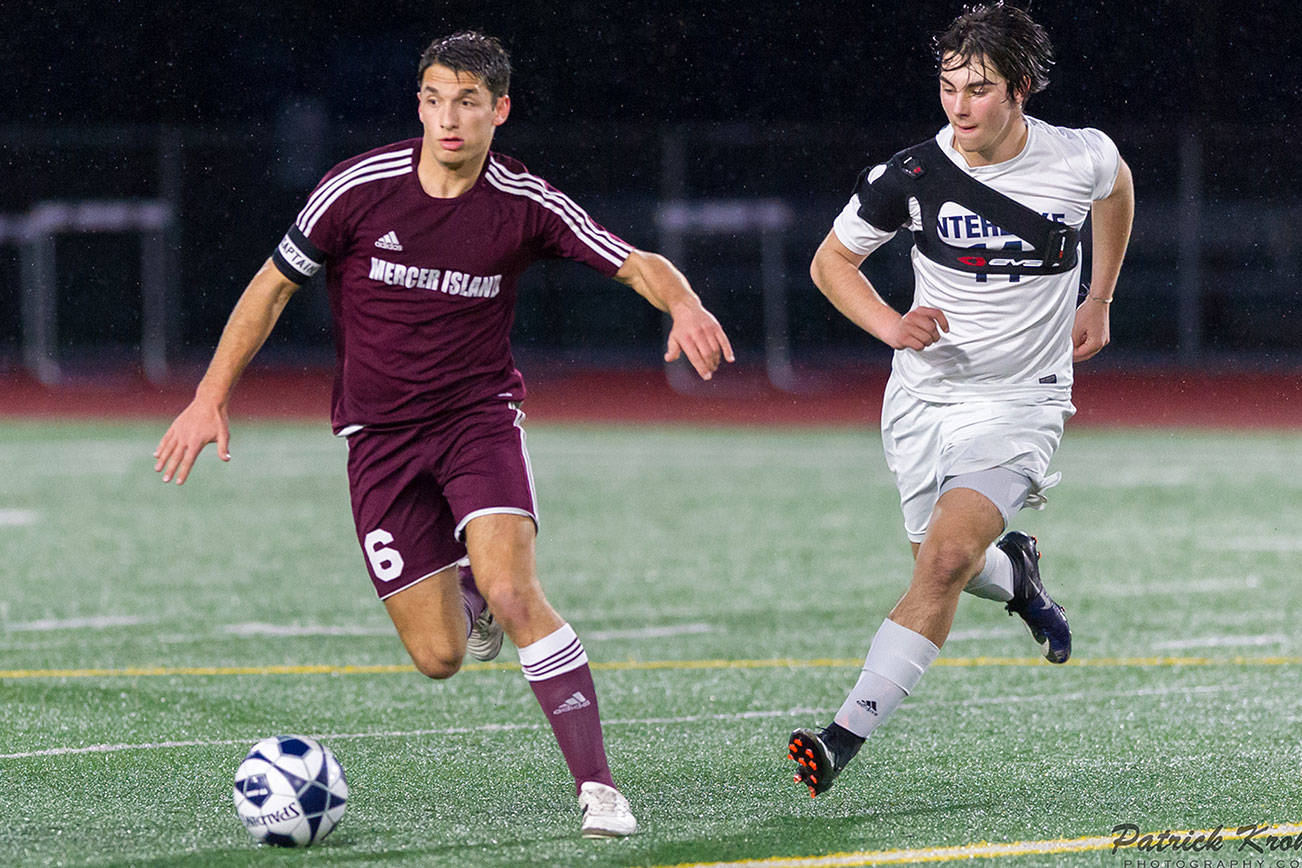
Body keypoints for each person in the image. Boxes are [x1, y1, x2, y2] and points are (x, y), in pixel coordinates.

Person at [153, 30, 734, 837]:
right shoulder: (358, 188)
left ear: (500, 109)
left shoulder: (525, 203)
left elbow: (634, 261)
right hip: (378, 441)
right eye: (433, 99)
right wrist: (209, 397)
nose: (447, 119)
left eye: (466, 101)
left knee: (515, 591)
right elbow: (270, 289)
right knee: (439, 658)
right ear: (419, 105)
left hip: (476, 423)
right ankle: (466, 589)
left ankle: (598, 787)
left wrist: (685, 303)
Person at [788, 2, 1134, 797]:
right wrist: (891, 323)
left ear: (1019, 90)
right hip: (923, 400)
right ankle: (1017, 576)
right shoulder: (908, 175)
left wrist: (1100, 294)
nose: (958, 105)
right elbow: (831, 263)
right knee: (945, 562)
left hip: (1022, 399)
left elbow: (1117, 189)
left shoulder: (1077, 157)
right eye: (948, 87)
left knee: (943, 561)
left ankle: (841, 739)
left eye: (977, 88)